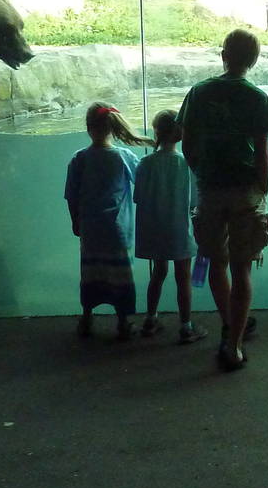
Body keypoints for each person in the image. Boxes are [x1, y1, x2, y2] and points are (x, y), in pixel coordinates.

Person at [178, 29, 268, 373]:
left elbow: (187, 144)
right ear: (254, 60)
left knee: (216, 263)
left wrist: (202, 174)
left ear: (223, 55)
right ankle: (234, 344)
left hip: (210, 189)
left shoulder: (199, 92)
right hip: (245, 190)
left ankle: (228, 323)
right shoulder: (258, 98)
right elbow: (262, 152)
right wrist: (263, 188)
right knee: (241, 267)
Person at [65, 103, 150, 340]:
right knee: (121, 276)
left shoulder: (79, 158)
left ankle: (86, 319)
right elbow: (142, 185)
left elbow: (71, 195)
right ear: (113, 128)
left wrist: (75, 221)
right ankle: (123, 323)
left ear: (88, 128)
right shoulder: (124, 157)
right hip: (117, 230)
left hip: (90, 230)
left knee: (90, 273)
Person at [135, 109, 207, 344]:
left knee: (157, 273)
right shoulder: (186, 165)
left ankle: (150, 319)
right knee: (183, 277)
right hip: (179, 231)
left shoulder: (145, 163)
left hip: (154, 229)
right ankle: (186, 327)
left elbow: (138, 197)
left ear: (155, 132)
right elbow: (195, 202)